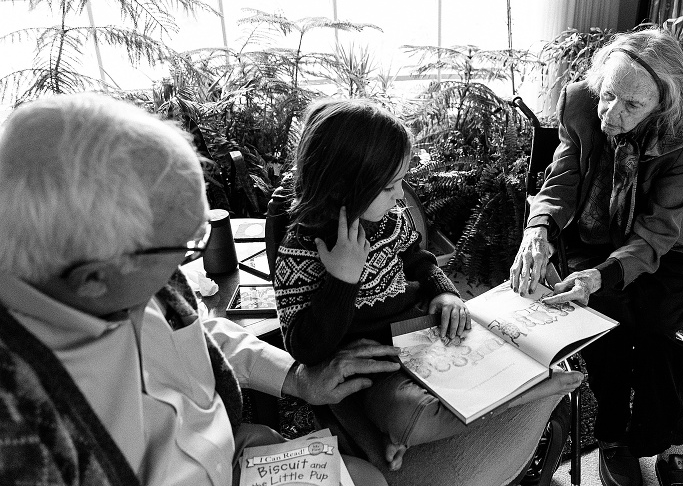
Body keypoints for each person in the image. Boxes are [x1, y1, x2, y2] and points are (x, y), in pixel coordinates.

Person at [0, 93, 400, 486]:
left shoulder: (134, 278)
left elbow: (198, 332)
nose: (187, 265)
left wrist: (296, 379)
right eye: (187, 245)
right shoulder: (18, 427)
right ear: (93, 279)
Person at [273, 99, 584, 476]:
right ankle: (521, 394)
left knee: (491, 350)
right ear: (344, 188)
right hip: (373, 368)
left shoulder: (389, 219)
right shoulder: (300, 250)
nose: (401, 196)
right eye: (390, 187)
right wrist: (342, 280)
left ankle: (506, 388)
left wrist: (445, 292)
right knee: (409, 416)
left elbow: (417, 257)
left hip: (424, 334)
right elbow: (306, 349)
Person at [510, 28, 683, 486]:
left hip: (669, 246)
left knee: (651, 329)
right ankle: (617, 437)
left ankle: (667, 439)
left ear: (662, 105)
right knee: (605, 330)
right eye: (608, 96)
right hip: (596, 239)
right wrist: (538, 228)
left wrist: (598, 278)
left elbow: (656, 229)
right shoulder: (579, 105)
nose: (611, 114)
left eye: (632, 106)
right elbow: (564, 178)